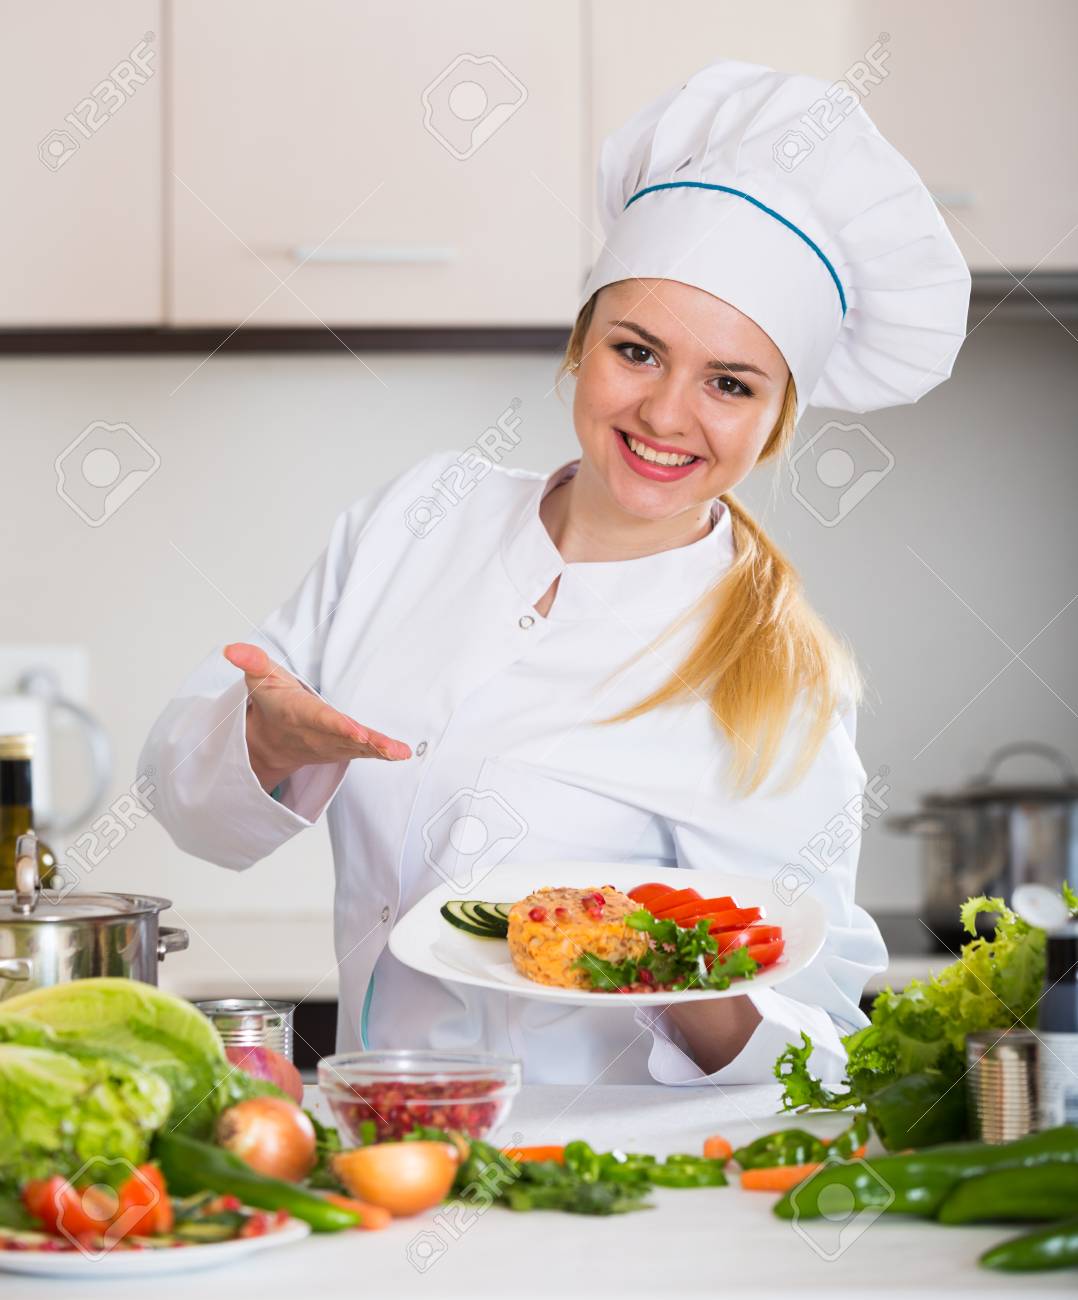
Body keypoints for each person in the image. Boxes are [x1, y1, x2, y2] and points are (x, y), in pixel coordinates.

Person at [139, 58, 970, 1085]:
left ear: (774, 418)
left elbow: (818, 1053)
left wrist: (675, 962)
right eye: (636, 351)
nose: (667, 414)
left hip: (608, 1187)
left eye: (729, 382)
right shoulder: (419, 519)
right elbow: (181, 801)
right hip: (388, 1135)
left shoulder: (774, 677)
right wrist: (263, 735)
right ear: (581, 345)